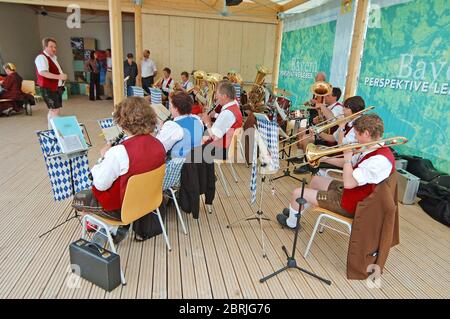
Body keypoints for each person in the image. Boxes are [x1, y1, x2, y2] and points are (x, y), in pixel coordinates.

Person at [72, 97, 166, 243]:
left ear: (123, 122)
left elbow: (100, 184)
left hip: (123, 208)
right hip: (149, 201)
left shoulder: (119, 152)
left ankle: (108, 230)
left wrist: (103, 157)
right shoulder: (158, 144)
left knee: (80, 198)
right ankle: (111, 229)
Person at [277, 114, 395, 229]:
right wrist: (324, 158)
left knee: (298, 193)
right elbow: (347, 163)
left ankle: (292, 223)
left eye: (356, 134)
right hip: (355, 193)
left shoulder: (379, 160)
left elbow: (349, 183)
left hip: (355, 205)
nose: (355, 138)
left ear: (366, 133)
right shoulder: (370, 146)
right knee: (315, 180)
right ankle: (296, 210)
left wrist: (348, 160)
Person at [201, 80, 243, 160]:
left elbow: (213, 138)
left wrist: (207, 123)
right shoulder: (233, 107)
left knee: (191, 148)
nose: (216, 97)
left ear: (224, 96)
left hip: (221, 149)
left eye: (217, 94)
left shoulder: (227, 113)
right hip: (226, 146)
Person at [156, 90, 204, 158]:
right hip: (197, 163)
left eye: (170, 105)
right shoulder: (197, 120)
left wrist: (160, 130)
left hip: (179, 165)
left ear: (176, 108)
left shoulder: (173, 126)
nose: (169, 108)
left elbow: (158, 148)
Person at [35, 37, 67, 128]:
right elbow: (43, 72)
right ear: (45, 47)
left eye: (55, 47)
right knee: (55, 111)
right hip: (48, 88)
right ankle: (56, 131)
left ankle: (51, 130)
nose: (54, 49)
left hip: (55, 88)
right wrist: (59, 77)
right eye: (51, 46)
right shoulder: (41, 57)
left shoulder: (53, 58)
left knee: (54, 110)